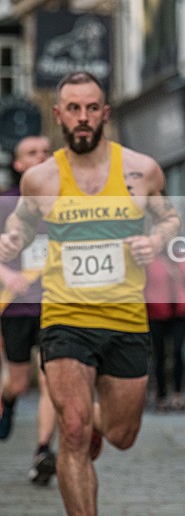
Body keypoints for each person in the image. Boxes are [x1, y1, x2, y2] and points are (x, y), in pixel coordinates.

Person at [0, 71, 180, 516]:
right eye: (73, 109)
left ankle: (99, 418)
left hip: (125, 320)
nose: (83, 118)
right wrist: (10, 243)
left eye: (91, 108)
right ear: (58, 115)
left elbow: (170, 218)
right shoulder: (41, 179)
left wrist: (154, 241)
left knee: (121, 434)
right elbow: (19, 225)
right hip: (64, 316)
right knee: (74, 430)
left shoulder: (141, 170)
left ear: (105, 113)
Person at [0, 135, 60, 486]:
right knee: (21, 382)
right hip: (16, 307)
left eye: (46, 151)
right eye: (32, 152)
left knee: (53, 376)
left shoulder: (62, 201)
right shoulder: (6, 202)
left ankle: (42, 450)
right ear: (18, 163)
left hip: (55, 302)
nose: (41, 156)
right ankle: (6, 399)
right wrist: (6, 273)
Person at [145, 251, 185, 411]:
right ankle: (161, 394)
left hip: (180, 311)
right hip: (156, 311)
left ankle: (178, 393)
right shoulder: (149, 259)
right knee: (158, 354)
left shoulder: (184, 258)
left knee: (178, 351)